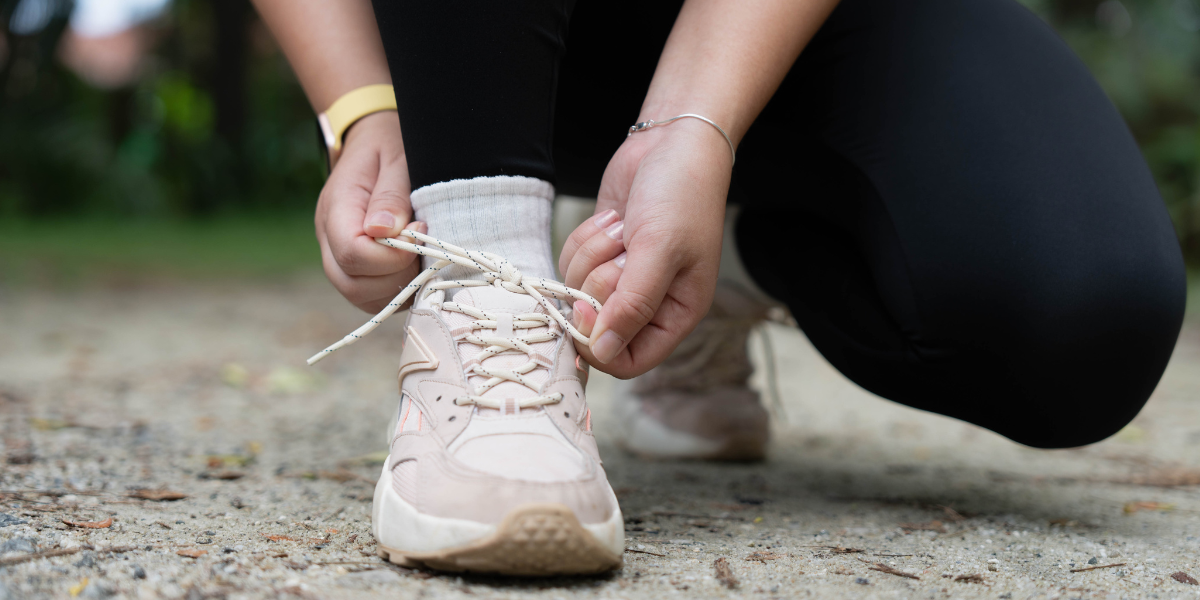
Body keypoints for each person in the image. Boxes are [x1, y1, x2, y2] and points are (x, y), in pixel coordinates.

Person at [252, 0, 1185, 576]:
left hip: (791, 23)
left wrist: (693, 124)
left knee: (1086, 316)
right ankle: (488, 271)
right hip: (480, 36)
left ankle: (703, 266)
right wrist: (364, 104)